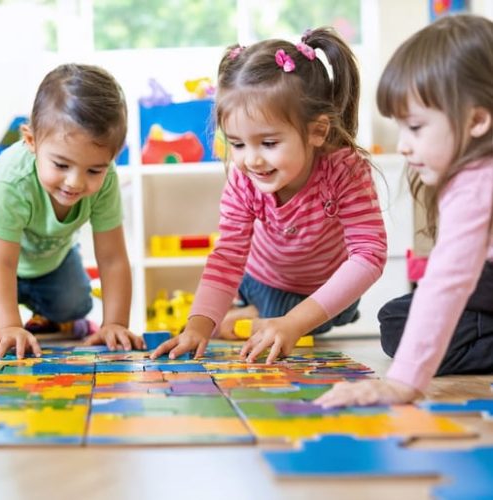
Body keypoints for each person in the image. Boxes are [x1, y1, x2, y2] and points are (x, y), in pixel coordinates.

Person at [152, 28, 387, 362]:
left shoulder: (345, 170)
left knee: (303, 318)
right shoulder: (243, 178)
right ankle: (249, 311)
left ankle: (252, 315)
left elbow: (369, 254)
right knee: (261, 311)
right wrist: (197, 328)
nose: (251, 159)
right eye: (237, 144)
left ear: (317, 131)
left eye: (269, 143)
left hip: (320, 290)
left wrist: (293, 323)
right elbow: (228, 254)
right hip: (258, 279)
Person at [317, 15, 493, 407]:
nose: (404, 145)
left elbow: (447, 282)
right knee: (399, 317)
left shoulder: (476, 183)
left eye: (415, 127)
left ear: (477, 120)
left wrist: (402, 385)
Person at [0, 63, 143, 359]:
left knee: (75, 306)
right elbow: (0, 265)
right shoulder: (13, 180)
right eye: (61, 165)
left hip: (44, 254)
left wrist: (115, 324)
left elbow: (112, 259)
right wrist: (7, 327)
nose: (75, 182)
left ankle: (22, 314)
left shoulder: (106, 179)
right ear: (31, 141)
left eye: (94, 169)